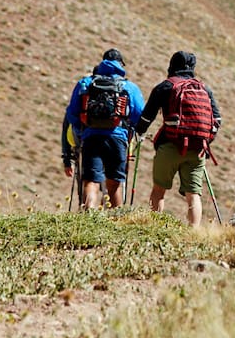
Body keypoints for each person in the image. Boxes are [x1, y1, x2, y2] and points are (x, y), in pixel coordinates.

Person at [134, 51, 221, 226]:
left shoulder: (165, 86)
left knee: (159, 190)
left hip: (169, 145)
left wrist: (139, 133)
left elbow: (147, 116)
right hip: (197, 150)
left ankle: (154, 227)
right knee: (193, 195)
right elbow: (217, 120)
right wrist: (204, 142)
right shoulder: (204, 89)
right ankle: (193, 232)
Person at [64, 49, 145, 210]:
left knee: (91, 181)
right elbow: (139, 116)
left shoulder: (85, 83)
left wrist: (82, 131)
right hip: (118, 138)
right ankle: (116, 223)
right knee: (114, 184)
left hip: (91, 136)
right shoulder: (129, 87)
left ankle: (88, 219)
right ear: (121, 65)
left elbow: (72, 113)